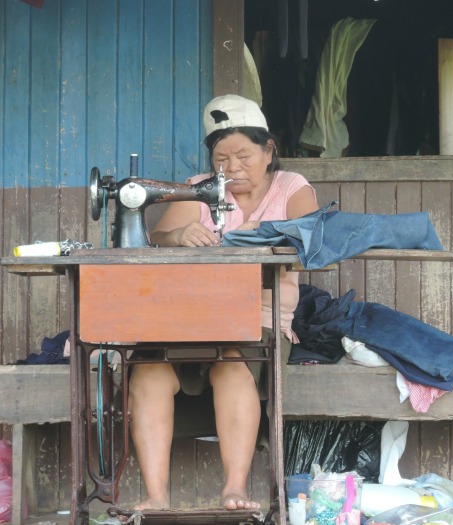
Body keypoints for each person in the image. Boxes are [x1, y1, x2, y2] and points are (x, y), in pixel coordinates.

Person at [128, 94, 319, 512]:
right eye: (222, 158)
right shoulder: (201, 189)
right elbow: (156, 240)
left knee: (231, 361)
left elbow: (308, 240)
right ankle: (156, 497)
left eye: (244, 156)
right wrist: (176, 238)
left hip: (259, 318)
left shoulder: (292, 188)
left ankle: (234, 489)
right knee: (147, 369)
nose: (232, 169)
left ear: (269, 151)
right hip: (190, 319)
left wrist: (266, 234)